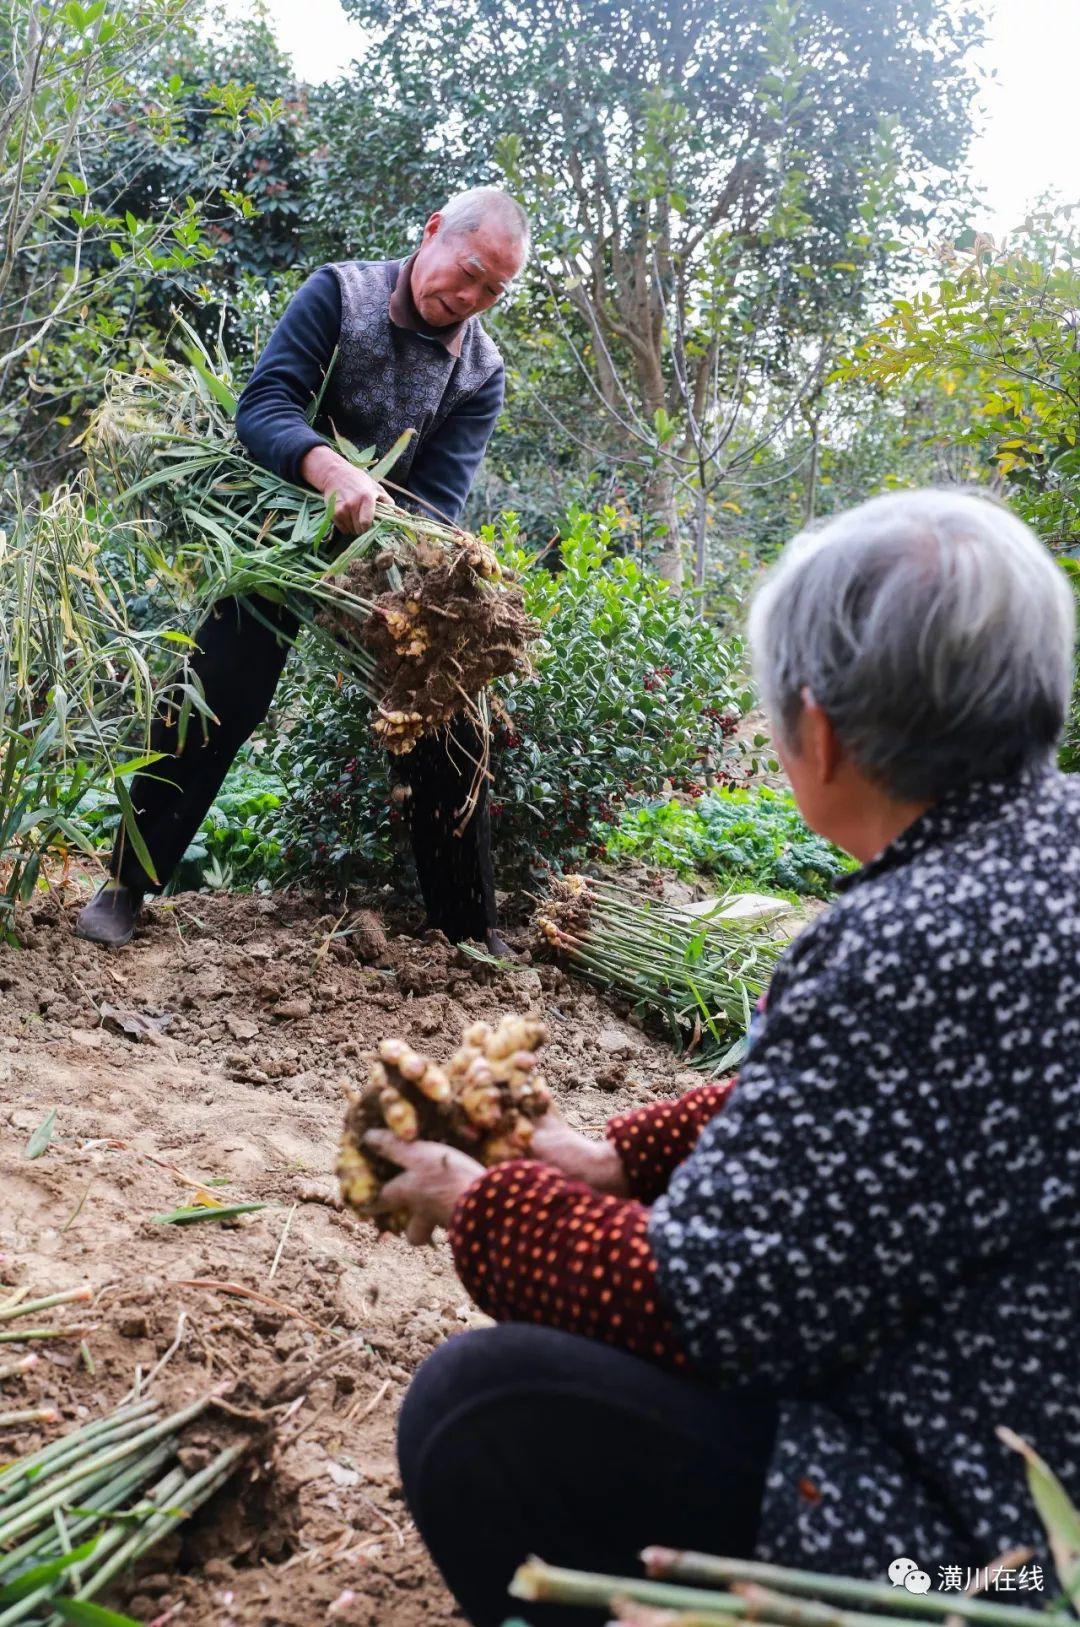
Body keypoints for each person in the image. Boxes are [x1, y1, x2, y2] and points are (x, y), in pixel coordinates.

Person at [365, 489, 1080, 1626]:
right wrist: (611, 1160)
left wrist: (481, 1201)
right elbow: (880, 1102)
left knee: (479, 1409)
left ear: (821, 729)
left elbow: (711, 1306)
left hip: (1007, 1566)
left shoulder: (894, 943)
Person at [76, 186, 529, 949]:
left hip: (377, 558)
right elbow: (264, 405)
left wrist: (401, 561)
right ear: (431, 232)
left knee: (449, 707)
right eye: (470, 271)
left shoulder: (481, 369)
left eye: (494, 290)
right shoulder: (341, 294)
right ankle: (126, 883)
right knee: (217, 687)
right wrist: (330, 472)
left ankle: (467, 927)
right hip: (277, 527)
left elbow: (436, 499)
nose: (473, 297)